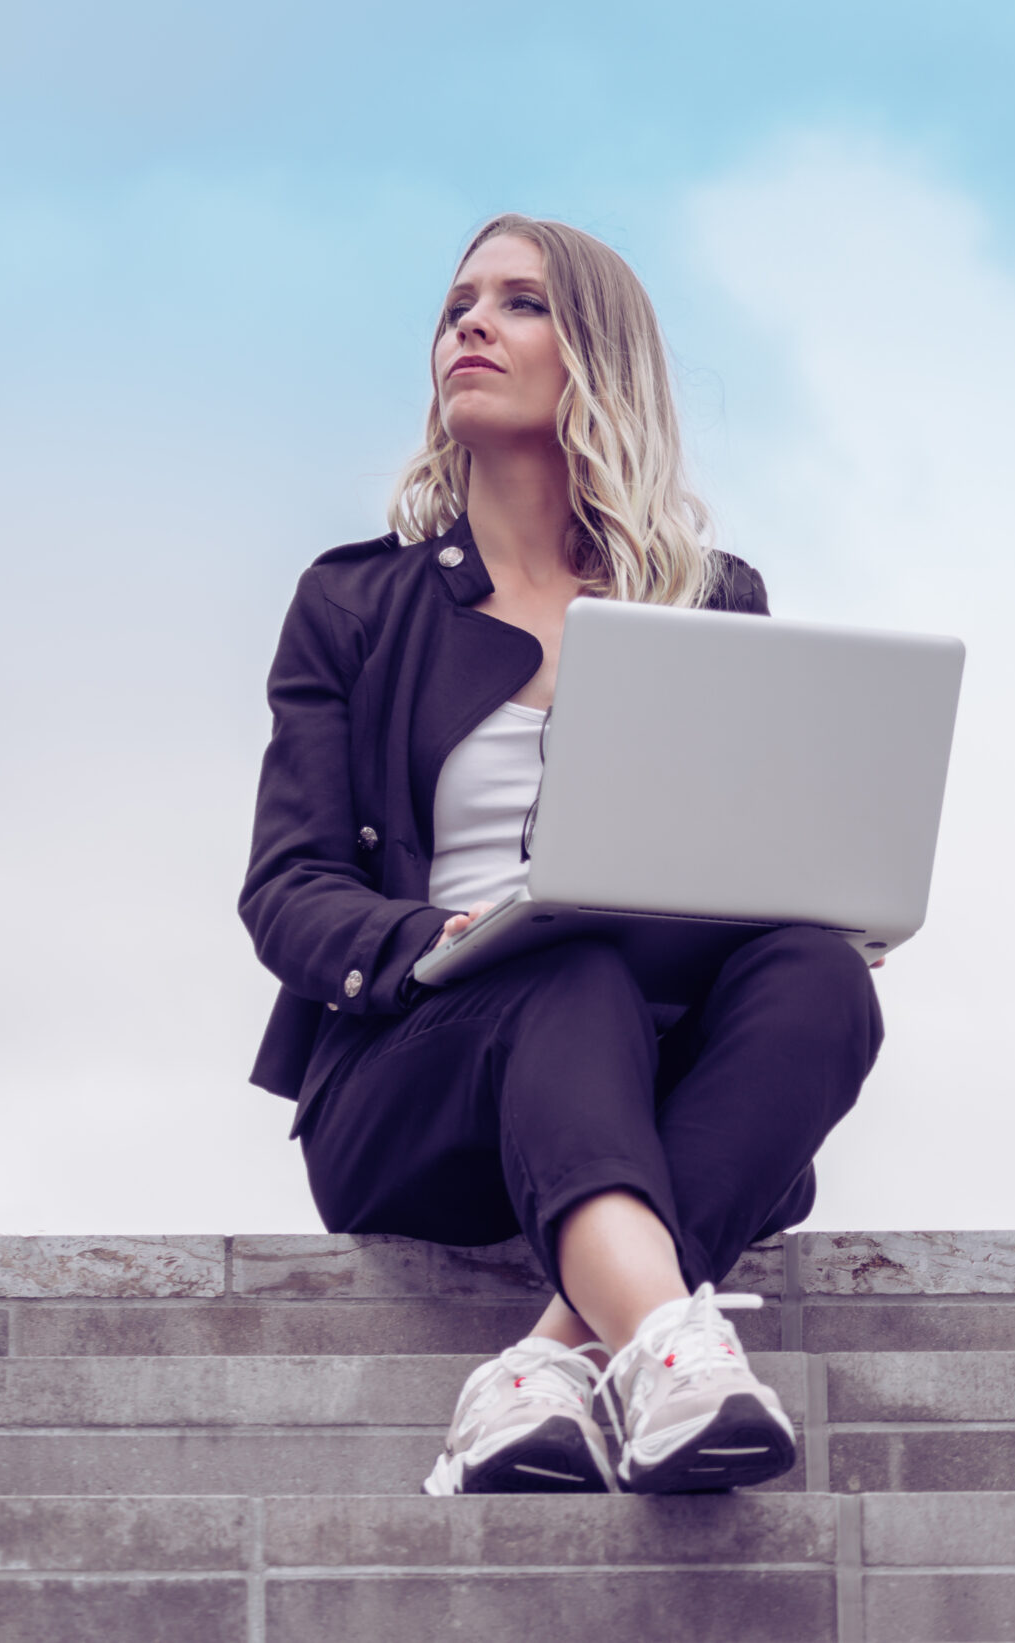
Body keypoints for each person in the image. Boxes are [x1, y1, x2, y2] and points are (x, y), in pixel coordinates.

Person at [237, 215, 884, 1496]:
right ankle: (662, 1342)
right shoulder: (354, 604)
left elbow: (743, 862)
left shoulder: (712, 604)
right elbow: (286, 889)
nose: (469, 324)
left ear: (596, 357)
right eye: (457, 304)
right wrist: (440, 942)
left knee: (819, 972)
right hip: (417, 1082)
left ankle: (543, 1365)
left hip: (644, 1077)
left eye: (520, 303)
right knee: (563, 960)